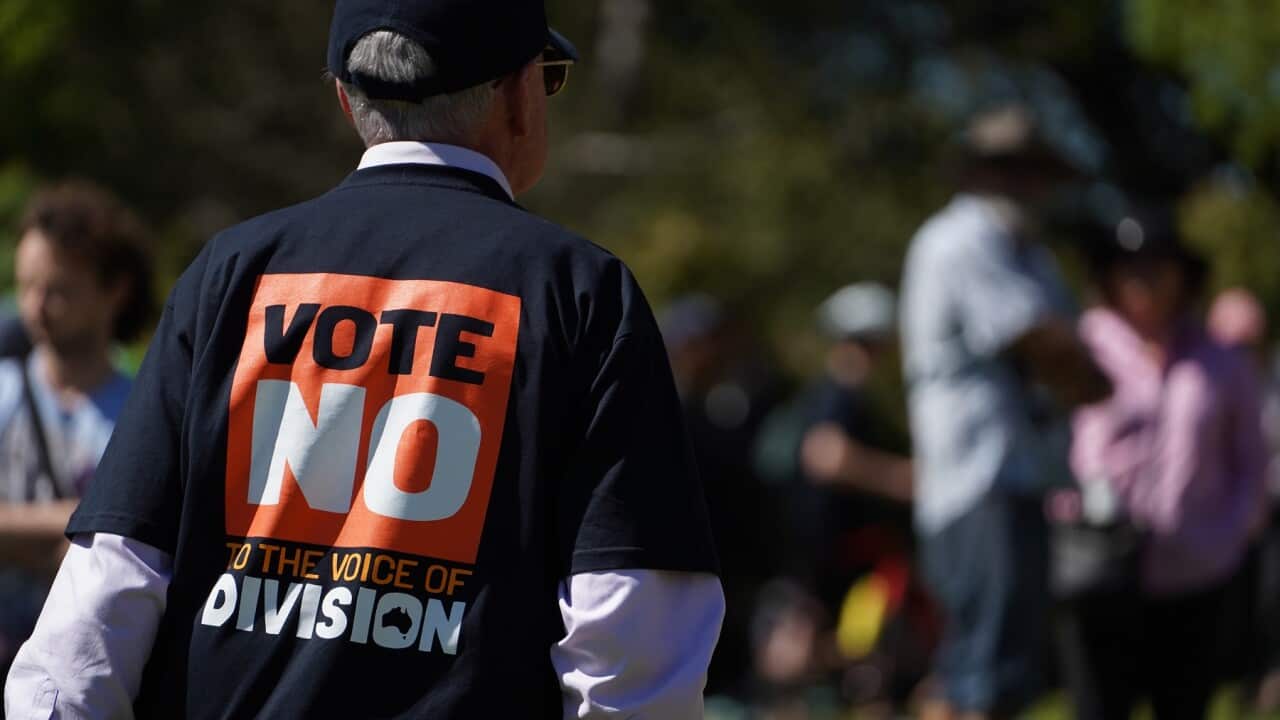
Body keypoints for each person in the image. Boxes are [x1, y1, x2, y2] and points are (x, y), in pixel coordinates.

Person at [5, 1, 724, 718]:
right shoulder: (580, 294)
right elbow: (635, 642)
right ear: (518, 93)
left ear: (346, 99)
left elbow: (101, 600)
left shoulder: (232, 273)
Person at [899, 105, 1110, 718]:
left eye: (1034, 171)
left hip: (1014, 475)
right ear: (981, 174)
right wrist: (1084, 373)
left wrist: (1083, 371)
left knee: (993, 663)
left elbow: (1074, 356)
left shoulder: (1027, 255)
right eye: (1012, 170)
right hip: (976, 479)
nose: (1028, 185)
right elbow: (1045, 344)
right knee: (985, 668)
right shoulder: (962, 239)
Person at [1058, 214, 1265, 719]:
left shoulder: (1221, 362)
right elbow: (1051, 441)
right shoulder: (1081, 346)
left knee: (1186, 704)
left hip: (1196, 570)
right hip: (1099, 568)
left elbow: (1251, 461)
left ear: (1182, 276)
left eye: (1156, 266)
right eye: (1129, 267)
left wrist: (1231, 533)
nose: (1143, 279)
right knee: (1100, 705)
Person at [0, 181, 153, 686]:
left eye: (58, 289)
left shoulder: (141, 414)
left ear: (115, 291)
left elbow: (125, 550)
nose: (36, 306)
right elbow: (91, 545)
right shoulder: (3, 391)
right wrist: (63, 532)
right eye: (26, 286)